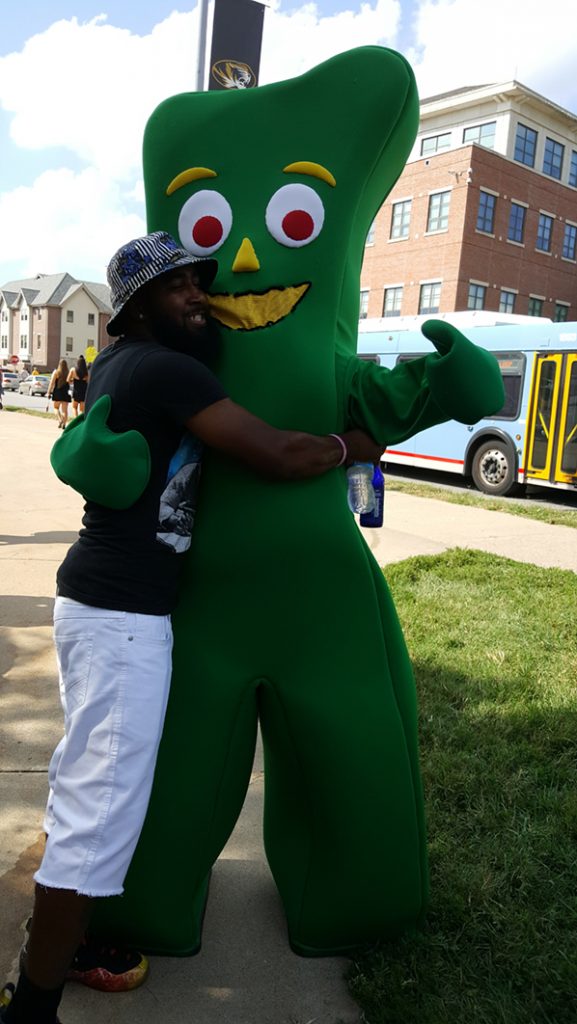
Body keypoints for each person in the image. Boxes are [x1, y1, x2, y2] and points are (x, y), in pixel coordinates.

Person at [0, 231, 382, 1024]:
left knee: (88, 788)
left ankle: (64, 946)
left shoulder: (121, 363)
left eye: (197, 282)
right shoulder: (163, 368)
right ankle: (31, 1003)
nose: (198, 295)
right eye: (177, 287)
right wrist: (351, 444)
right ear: (137, 305)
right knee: (96, 814)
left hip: (101, 608)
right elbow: (275, 454)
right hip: (120, 620)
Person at [47, 360, 70, 429]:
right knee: (65, 411)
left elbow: (52, 383)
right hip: (65, 392)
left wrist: (48, 392)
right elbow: (70, 382)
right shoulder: (68, 373)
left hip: (57, 392)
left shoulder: (56, 372)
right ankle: (64, 424)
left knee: (56, 408)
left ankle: (60, 420)